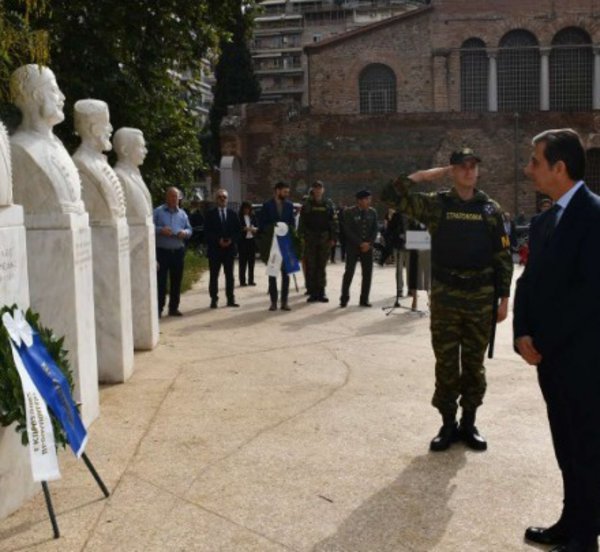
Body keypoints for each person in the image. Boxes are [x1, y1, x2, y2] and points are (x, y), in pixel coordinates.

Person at [382, 147, 513, 452]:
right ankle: (447, 423)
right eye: (461, 166)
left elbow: (502, 257)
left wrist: (503, 298)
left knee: (473, 364)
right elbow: (391, 195)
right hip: (446, 297)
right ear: (452, 170)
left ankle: (469, 423)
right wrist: (425, 176)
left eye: (472, 166)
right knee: (445, 363)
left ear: (477, 171)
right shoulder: (436, 205)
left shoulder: (490, 210)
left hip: (480, 298)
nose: (468, 171)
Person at [514, 129, 600, 552]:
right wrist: (521, 332)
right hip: (549, 358)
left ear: (558, 167)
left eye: (535, 161)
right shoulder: (544, 219)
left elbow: (591, 294)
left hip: (585, 359)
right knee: (565, 442)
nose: (529, 169)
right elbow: (527, 282)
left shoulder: (595, 215)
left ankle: (586, 538)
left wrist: (546, 338)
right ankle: (572, 521)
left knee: (587, 446)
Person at [153, 187, 192, 316]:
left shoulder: (182, 214)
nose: (174, 199)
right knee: (161, 282)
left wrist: (184, 232)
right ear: (166, 197)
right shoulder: (158, 212)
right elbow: (148, 227)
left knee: (176, 281)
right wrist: (160, 230)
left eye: (176, 197)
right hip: (162, 252)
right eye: (171, 196)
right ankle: (158, 309)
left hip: (177, 251)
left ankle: (173, 308)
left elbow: (190, 229)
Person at [258, 181, 297, 311]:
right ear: (277, 191)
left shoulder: (290, 205)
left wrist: (288, 231)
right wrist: (273, 228)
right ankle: (273, 302)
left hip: (285, 244)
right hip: (272, 244)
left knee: (286, 274)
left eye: (288, 192)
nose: (286, 194)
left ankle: (284, 302)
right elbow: (261, 224)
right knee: (273, 274)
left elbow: (292, 224)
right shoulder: (267, 205)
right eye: (284, 192)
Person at [298, 180, 337, 303]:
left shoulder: (328, 204)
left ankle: (321, 292)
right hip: (310, 238)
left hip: (324, 238)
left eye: (320, 188)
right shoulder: (307, 204)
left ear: (323, 190)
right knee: (311, 266)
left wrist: (333, 238)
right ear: (313, 190)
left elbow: (333, 222)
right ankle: (312, 292)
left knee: (322, 266)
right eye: (316, 188)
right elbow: (302, 222)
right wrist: (301, 237)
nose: (318, 190)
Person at [340, 190, 378, 308]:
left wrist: (369, 243)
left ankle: (364, 299)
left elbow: (375, 230)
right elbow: (347, 230)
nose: (369, 201)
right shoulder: (349, 212)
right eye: (367, 199)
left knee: (367, 273)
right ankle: (344, 298)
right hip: (353, 247)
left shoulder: (373, 212)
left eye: (369, 199)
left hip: (368, 248)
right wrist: (360, 243)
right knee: (349, 272)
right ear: (359, 201)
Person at [204, 189, 241, 308]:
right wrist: (217, 240)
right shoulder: (210, 214)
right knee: (214, 276)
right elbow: (207, 232)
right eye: (220, 197)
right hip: (215, 250)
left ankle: (230, 299)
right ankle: (214, 299)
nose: (222, 199)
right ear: (216, 199)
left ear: (227, 199)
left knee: (230, 276)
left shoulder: (233, 214)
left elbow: (238, 231)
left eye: (224, 197)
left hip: (229, 250)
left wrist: (231, 240)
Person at [238, 201, 258, 287]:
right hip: (243, 241)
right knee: (243, 262)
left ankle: (251, 280)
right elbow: (237, 228)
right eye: (245, 208)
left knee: (251, 262)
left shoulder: (252, 216)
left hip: (251, 240)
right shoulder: (239, 217)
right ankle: (242, 281)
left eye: (248, 208)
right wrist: (244, 228)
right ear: (242, 209)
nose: (247, 210)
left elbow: (257, 226)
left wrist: (254, 229)